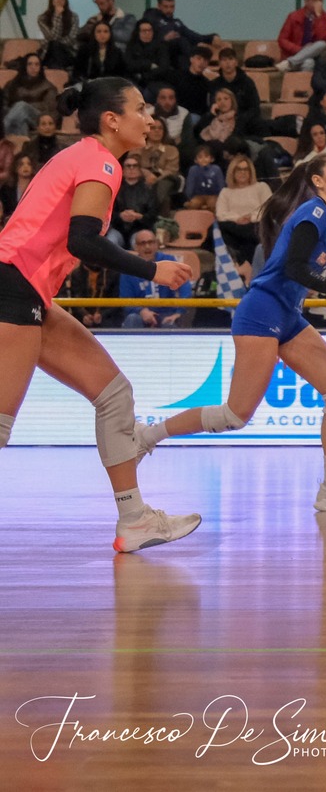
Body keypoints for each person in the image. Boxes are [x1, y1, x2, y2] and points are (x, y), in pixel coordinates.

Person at [0, 77, 202, 551]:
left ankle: (134, 520)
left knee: (114, 395)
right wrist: (155, 270)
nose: (151, 118)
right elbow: (84, 241)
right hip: (12, 289)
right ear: (112, 120)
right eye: (141, 108)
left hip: (28, 292)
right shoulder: (101, 160)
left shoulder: (86, 157)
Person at [138, 149, 326, 510]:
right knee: (235, 416)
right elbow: (295, 269)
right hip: (261, 313)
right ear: (318, 181)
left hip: (287, 315)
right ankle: (146, 435)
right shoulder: (313, 212)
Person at [117, 230, 193, 328]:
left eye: (151, 242)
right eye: (143, 243)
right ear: (136, 247)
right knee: (132, 319)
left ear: (157, 244)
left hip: (166, 313)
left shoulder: (169, 261)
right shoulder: (128, 268)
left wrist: (179, 312)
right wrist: (141, 311)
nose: (147, 247)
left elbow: (185, 287)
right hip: (140, 314)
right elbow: (125, 299)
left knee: (170, 324)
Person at [278, 0, 326, 71]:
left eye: (320, 0)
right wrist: (300, 50)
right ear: (306, 1)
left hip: (314, 56)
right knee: (308, 61)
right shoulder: (293, 16)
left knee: (320, 46)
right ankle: (291, 62)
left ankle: (289, 63)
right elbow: (282, 40)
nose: (317, 3)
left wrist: (319, 17)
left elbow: (324, 37)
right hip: (293, 53)